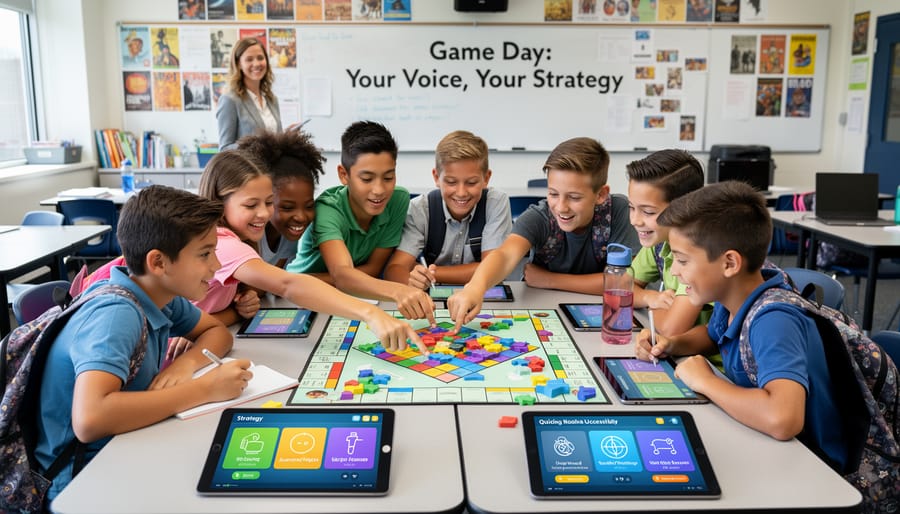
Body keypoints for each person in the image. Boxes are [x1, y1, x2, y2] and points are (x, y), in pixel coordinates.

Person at [35, 186, 252, 502]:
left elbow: (217, 332)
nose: (216, 265)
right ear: (159, 263)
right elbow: (90, 419)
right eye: (205, 254)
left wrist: (185, 366)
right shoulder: (116, 314)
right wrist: (205, 389)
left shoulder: (159, 294)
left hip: (125, 445)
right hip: (80, 479)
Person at [634, 181, 847, 472]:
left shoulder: (774, 320)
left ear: (730, 263)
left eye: (682, 260)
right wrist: (673, 344)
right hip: (770, 445)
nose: (674, 271)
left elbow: (784, 419)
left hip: (820, 465)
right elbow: (711, 336)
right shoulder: (735, 294)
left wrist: (706, 382)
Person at [197, 148, 425, 348]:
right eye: (251, 205)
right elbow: (288, 285)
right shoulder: (224, 245)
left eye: (268, 202)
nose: (265, 214)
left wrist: (238, 306)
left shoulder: (237, 239)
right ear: (218, 203)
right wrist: (371, 313)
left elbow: (201, 317)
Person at [446, 137, 639, 328]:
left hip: (605, 315)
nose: (561, 207)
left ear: (601, 195)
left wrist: (550, 280)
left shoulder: (620, 211)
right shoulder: (539, 217)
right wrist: (475, 288)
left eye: (574, 197)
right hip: (545, 312)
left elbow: (625, 283)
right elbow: (504, 255)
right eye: (553, 194)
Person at [286, 121, 436, 324]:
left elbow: (373, 269)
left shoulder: (398, 200)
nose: (379, 190)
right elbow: (342, 274)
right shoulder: (328, 209)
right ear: (343, 175)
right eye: (367, 179)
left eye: (388, 177)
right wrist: (397, 290)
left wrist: (333, 281)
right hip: (294, 300)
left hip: (351, 294)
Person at [383, 130, 512, 289]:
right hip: (431, 300)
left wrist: (431, 274)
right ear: (436, 177)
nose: (461, 192)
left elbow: (493, 270)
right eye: (451, 182)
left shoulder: (495, 202)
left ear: (486, 178)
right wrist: (412, 280)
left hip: (482, 295)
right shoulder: (420, 209)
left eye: (471, 183)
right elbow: (394, 270)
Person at [626, 149, 711, 338]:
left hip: (714, 363)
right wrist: (650, 297)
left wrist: (643, 306)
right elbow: (621, 287)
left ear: (685, 209)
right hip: (678, 353)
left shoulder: (699, 252)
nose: (635, 220)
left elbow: (672, 328)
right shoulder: (659, 241)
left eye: (648, 212)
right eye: (631, 208)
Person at [237, 129, 326, 268]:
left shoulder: (294, 236)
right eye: (288, 207)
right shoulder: (247, 235)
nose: (301, 217)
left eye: (309, 206)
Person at [216, 37, 282, 150]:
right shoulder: (229, 100)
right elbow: (224, 149)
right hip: (247, 167)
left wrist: (287, 137)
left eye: (260, 58)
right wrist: (255, 146)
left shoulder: (272, 100)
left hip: (273, 167)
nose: (256, 64)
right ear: (239, 64)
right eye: (249, 59)